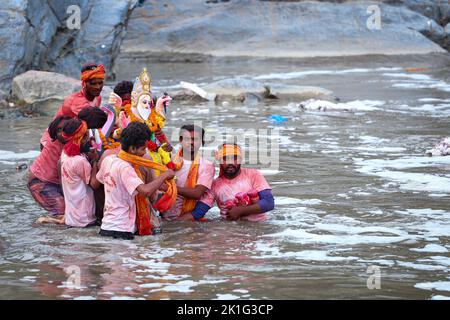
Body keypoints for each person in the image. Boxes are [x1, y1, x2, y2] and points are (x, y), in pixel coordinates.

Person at [94, 122, 176, 240]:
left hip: (106, 226)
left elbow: (100, 179)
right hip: (122, 229)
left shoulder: (108, 160)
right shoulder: (126, 168)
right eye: (143, 149)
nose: (145, 153)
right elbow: (145, 191)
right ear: (132, 148)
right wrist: (165, 175)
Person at [191, 144, 275, 222]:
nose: (230, 162)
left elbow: (269, 203)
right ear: (219, 161)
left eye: (235, 158)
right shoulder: (215, 185)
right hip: (229, 230)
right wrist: (178, 222)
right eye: (225, 158)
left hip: (258, 228)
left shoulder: (253, 175)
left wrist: (240, 211)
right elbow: (198, 212)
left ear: (240, 160)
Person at [40, 63, 105, 148]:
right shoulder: (76, 102)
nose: (98, 87)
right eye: (93, 83)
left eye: (100, 83)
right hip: (52, 142)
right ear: (84, 84)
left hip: (72, 138)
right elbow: (96, 123)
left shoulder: (97, 98)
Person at [162, 125, 215, 221]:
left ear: (202, 142)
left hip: (188, 218)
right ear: (180, 140)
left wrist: (169, 188)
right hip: (163, 214)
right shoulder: (169, 159)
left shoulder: (207, 165)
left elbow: (197, 193)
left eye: (195, 139)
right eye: (187, 139)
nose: (191, 142)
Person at [28, 116, 72, 220]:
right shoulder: (61, 145)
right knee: (61, 212)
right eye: (59, 130)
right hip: (41, 182)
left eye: (65, 129)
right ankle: (44, 222)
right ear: (54, 133)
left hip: (50, 180)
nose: (62, 133)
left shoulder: (67, 143)